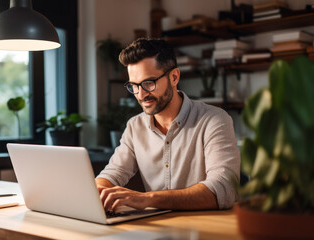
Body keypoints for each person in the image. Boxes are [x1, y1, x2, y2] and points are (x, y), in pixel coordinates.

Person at [96, 38, 240, 212]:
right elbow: (113, 173)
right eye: (134, 85)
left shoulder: (214, 120)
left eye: (149, 83)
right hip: (158, 228)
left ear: (174, 77)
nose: (141, 94)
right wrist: (98, 190)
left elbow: (223, 188)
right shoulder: (135, 126)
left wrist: (148, 199)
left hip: (205, 228)